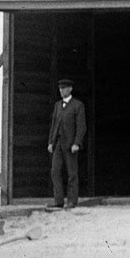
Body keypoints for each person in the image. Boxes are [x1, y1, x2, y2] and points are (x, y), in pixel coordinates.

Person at [46, 77, 86, 209]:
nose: (61, 91)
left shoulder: (78, 105)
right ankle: (58, 201)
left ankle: (71, 201)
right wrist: (51, 142)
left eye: (64, 88)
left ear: (70, 89)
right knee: (55, 171)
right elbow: (54, 125)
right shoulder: (57, 105)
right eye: (60, 89)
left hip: (70, 145)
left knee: (72, 173)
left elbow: (81, 126)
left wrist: (77, 143)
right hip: (58, 143)